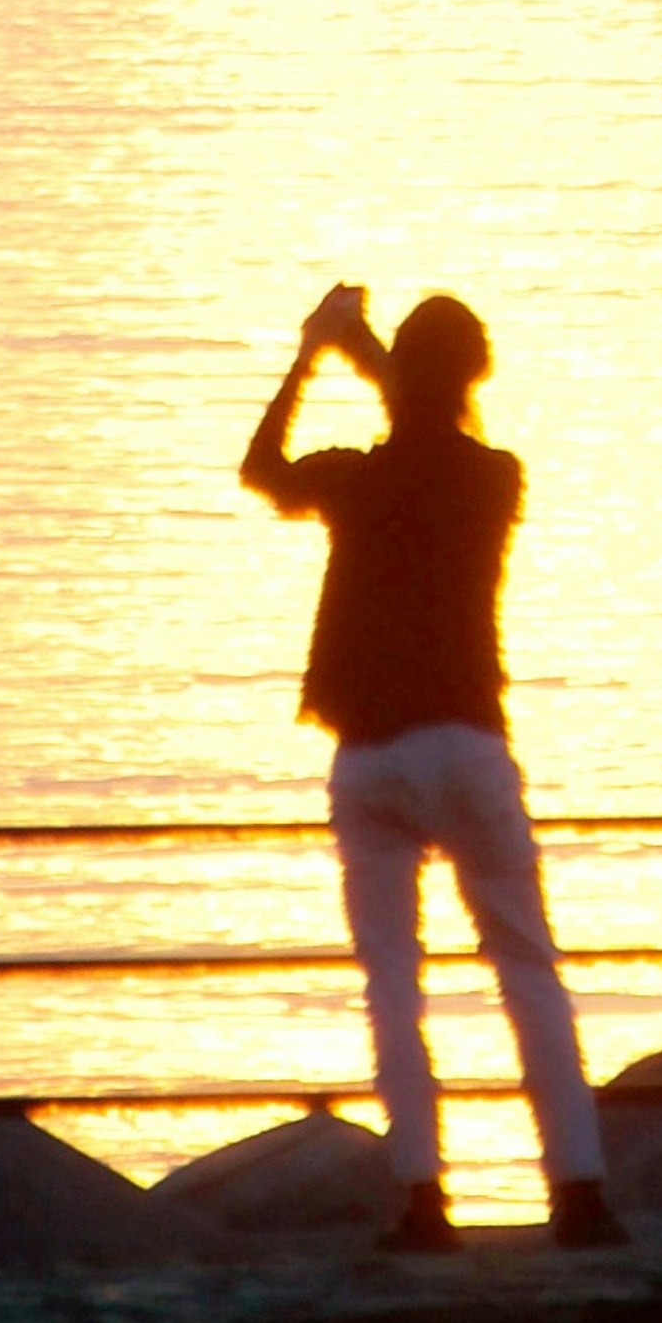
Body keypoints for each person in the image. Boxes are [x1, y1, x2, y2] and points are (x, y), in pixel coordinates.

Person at [240, 279, 627, 1254]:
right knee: (529, 970)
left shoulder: (354, 479)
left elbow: (263, 468)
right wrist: (371, 349)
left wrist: (312, 352)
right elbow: (430, 417)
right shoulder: (496, 476)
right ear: (475, 376)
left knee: (393, 988)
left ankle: (422, 1199)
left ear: (399, 377)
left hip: (370, 755)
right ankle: (578, 1191)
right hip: (468, 742)